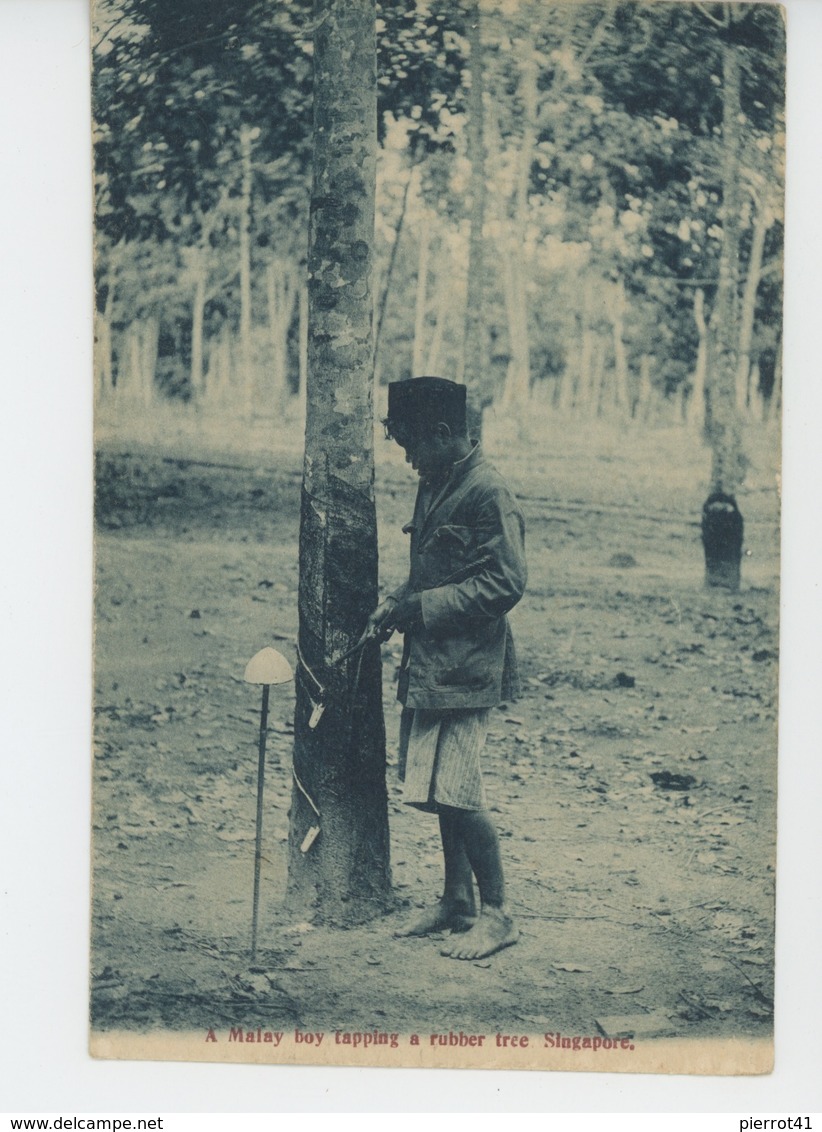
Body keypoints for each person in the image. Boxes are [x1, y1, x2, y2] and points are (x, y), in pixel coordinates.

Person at [368, 376, 527, 960]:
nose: (407, 459)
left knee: (460, 792)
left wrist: (425, 607)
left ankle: (498, 913)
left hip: (468, 667)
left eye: (411, 445)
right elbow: (430, 567)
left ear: (442, 434)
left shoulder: (488, 492)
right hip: (432, 662)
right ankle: (456, 899)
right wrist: (397, 602)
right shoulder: (436, 481)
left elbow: (506, 581)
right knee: (437, 790)